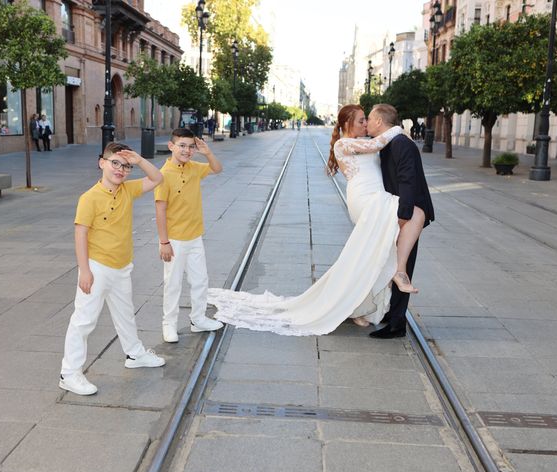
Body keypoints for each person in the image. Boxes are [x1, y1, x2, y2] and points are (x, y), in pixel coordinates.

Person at [207, 104, 411, 336]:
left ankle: (358, 305)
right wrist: (397, 129)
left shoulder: (363, 143)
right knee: (407, 220)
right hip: (366, 200)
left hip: (375, 196)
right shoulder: (343, 143)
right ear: (347, 124)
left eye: (366, 120)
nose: (365, 124)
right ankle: (360, 301)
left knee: (371, 255)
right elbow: (376, 144)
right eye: (361, 121)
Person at [59, 142, 166, 396]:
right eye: (115, 163)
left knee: (125, 313)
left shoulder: (128, 190)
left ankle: (135, 354)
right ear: (102, 163)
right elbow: (80, 233)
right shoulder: (89, 198)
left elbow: (158, 177)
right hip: (97, 267)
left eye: (125, 166)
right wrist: (84, 270)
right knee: (84, 321)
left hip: (121, 266)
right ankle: (69, 373)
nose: (120, 169)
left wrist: (138, 160)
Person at [367, 104, 435, 339]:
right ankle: (392, 314)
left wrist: (403, 216)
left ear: (378, 121)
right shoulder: (390, 143)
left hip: (410, 212)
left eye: (369, 119)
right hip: (398, 209)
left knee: (403, 266)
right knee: (394, 263)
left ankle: (397, 323)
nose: (366, 123)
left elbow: (408, 180)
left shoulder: (401, 144)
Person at [155, 128, 224, 343]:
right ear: (171, 146)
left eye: (190, 146)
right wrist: (164, 242)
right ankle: (169, 325)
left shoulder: (194, 168)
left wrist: (207, 152)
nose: (186, 150)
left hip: (195, 236)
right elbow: (160, 210)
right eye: (182, 145)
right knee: (173, 283)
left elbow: (217, 169)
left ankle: (198, 319)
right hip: (174, 239)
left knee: (200, 280)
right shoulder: (163, 175)